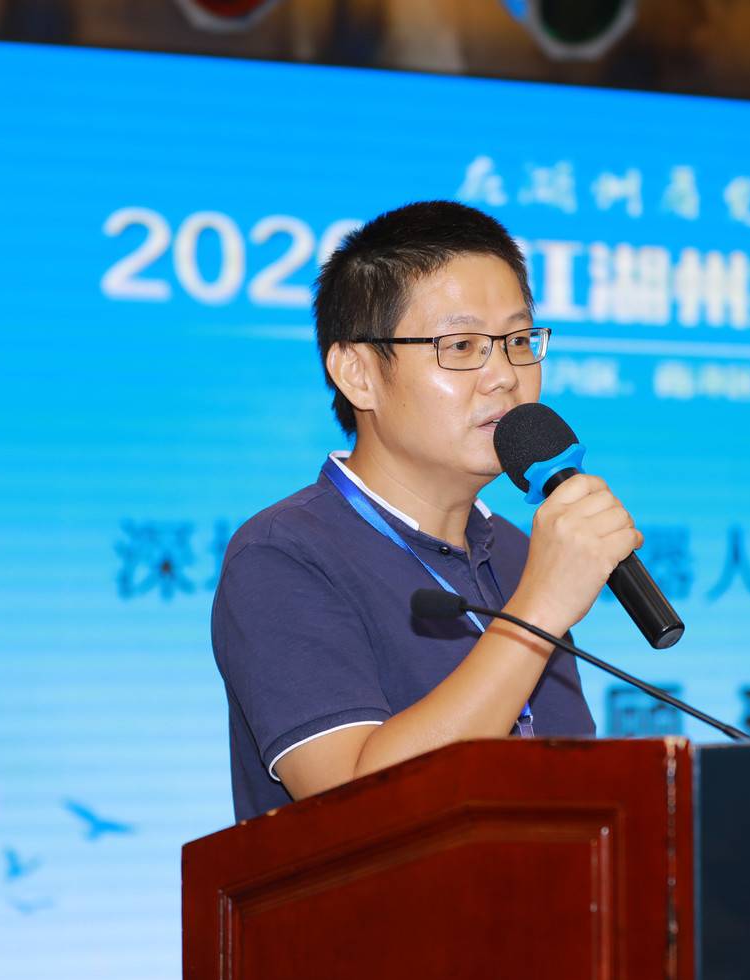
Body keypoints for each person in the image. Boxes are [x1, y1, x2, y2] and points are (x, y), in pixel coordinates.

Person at [212, 200, 642, 821]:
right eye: (462, 346)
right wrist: (540, 607)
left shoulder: (519, 554)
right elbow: (353, 803)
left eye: (518, 341)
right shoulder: (285, 554)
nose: (504, 376)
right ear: (358, 373)